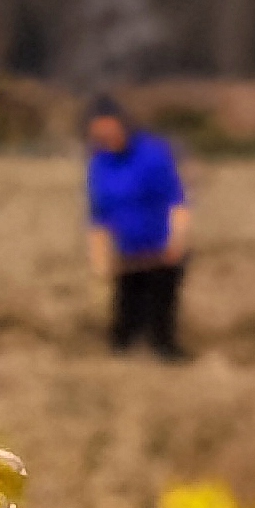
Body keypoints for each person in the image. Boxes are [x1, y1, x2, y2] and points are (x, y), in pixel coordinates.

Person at [85, 100, 190, 359]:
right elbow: (99, 216)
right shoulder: (100, 164)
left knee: (160, 316)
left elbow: (176, 202)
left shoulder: (153, 155)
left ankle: (164, 355)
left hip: (161, 254)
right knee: (125, 317)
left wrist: (176, 242)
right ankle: (122, 359)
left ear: (123, 126)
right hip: (127, 256)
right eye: (99, 135)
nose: (105, 138)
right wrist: (99, 259)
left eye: (109, 131)